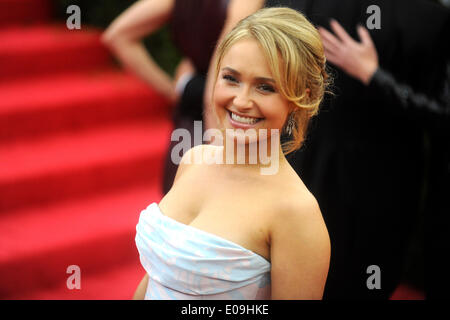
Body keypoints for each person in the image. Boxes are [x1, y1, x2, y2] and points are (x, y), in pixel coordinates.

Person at [133, 7, 331, 300]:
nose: (241, 100)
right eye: (231, 78)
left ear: (299, 99)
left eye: (265, 87)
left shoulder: (296, 212)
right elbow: (157, 276)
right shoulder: (193, 160)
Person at [257, 0, 448, 299]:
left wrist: (373, 75)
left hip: (374, 179)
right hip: (317, 165)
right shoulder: (430, 13)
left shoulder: (431, 16)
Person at [102, 0, 264, 195]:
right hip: (219, 128)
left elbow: (118, 35)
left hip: (187, 129)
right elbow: (215, 88)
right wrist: (220, 153)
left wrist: (176, 89)